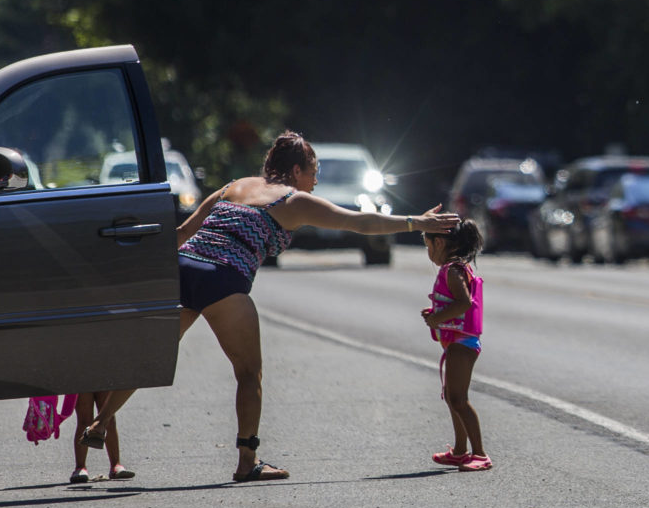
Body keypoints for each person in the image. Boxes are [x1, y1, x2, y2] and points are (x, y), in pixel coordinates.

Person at [80, 130, 460, 482]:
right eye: (314, 172)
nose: (315, 181)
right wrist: (416, 222)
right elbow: (360, 222)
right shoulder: (293, 200)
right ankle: (247, 462)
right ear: (296, 170)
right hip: (223, 278)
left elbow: (181, 234)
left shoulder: (234, 187)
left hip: (182, 268)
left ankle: (101, 423)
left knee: (152, 357)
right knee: (249, 373)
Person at [421, 219, 491, 472]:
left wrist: (436, 319)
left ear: (439, 242)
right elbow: (454, 303)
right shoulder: (455, 269)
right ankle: (460, 451)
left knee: (459, 399)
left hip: (463, 344)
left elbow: (464, 303)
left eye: (428, 247)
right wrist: (436, 312)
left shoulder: (452, 270)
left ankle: (480, 454)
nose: (429, 253)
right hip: (457, 342)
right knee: (451, 397)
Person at [70, 391, 134, 483]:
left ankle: (115, 465)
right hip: (80, 378)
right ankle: (80, 467)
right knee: (84, 420)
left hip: (104, 377)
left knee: (109, 419)